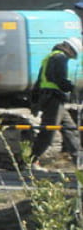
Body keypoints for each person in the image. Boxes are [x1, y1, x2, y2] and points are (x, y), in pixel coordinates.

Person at [30, 37, 83, 170]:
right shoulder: (60, 58)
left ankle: (80, 162)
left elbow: (39, 81)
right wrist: (71, 88)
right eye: (73, 55)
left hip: (51, 99)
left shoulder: (50, 57)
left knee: (71, 130)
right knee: (48, 132)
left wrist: (35, 101)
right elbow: (59, 79)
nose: (71, 57)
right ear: (69, 49)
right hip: (54, 99)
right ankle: (31, 161)